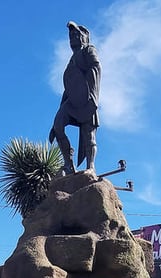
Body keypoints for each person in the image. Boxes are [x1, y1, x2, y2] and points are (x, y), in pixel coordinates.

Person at [49, 21, 101, 174]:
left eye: (75, 34)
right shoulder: (71, 61)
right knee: (58, 126)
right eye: (70, 35)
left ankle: (91, 167)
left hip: (87, 99)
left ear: (83, 37)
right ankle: (69, 165)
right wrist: (61, 108)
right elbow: (70, 86)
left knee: (89, 135)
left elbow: (96, 67)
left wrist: (91, 96)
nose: (72, 37)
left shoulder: (89, 50)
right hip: (72, 101)